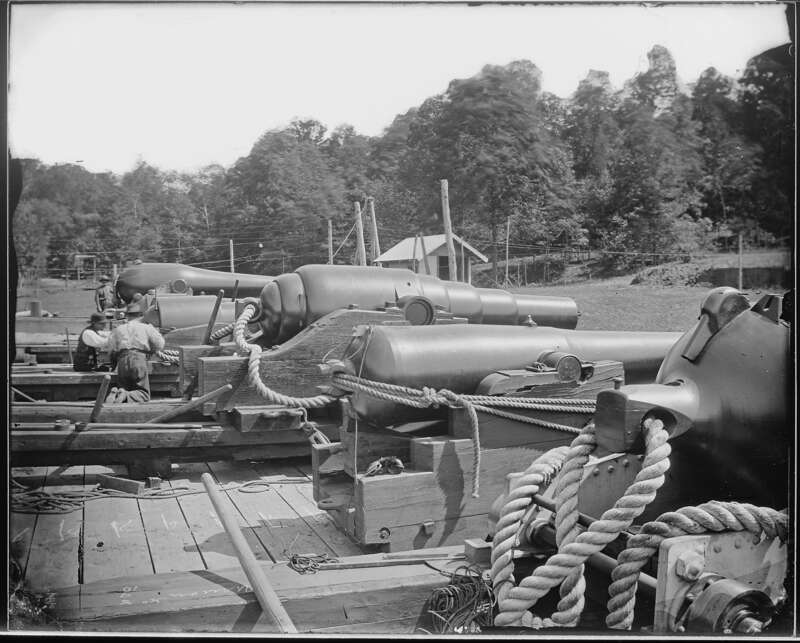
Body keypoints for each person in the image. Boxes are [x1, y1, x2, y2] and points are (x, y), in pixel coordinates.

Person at [106, 294, 165, 403]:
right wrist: (151, 350)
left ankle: (119, 392)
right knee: (143, 394)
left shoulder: (118, 329)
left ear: (127, 315)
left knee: (124, 387)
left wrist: (114, 365)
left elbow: (111, 349)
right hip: (138, 360)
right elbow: (160, 344)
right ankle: (125, 395)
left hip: (122, 361)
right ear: (141, 314)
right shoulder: (147, 328)